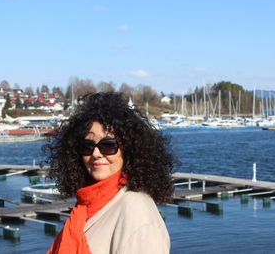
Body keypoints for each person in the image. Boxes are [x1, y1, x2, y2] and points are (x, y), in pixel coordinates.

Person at [44, 92, 176, 254]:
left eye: (108, 145)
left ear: (129, 150)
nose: (96, 154)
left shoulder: (136, 211)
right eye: (87, 146)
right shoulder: (87, 206)